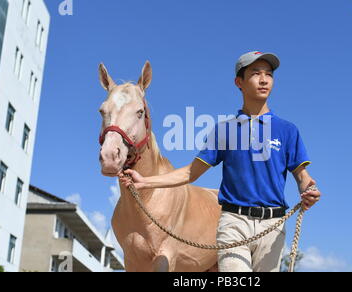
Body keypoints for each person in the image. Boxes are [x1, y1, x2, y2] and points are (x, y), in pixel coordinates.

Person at [119, 51, 321, 272]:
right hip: (234, 223)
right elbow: (190, 173)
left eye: (269, 74)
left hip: (272, 226)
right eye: (255, 74)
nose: (264, 80)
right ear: (239, 82)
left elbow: (302, 176)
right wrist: (145, 182)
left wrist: (309, 189)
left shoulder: (288, 131)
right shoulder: (224, 130)